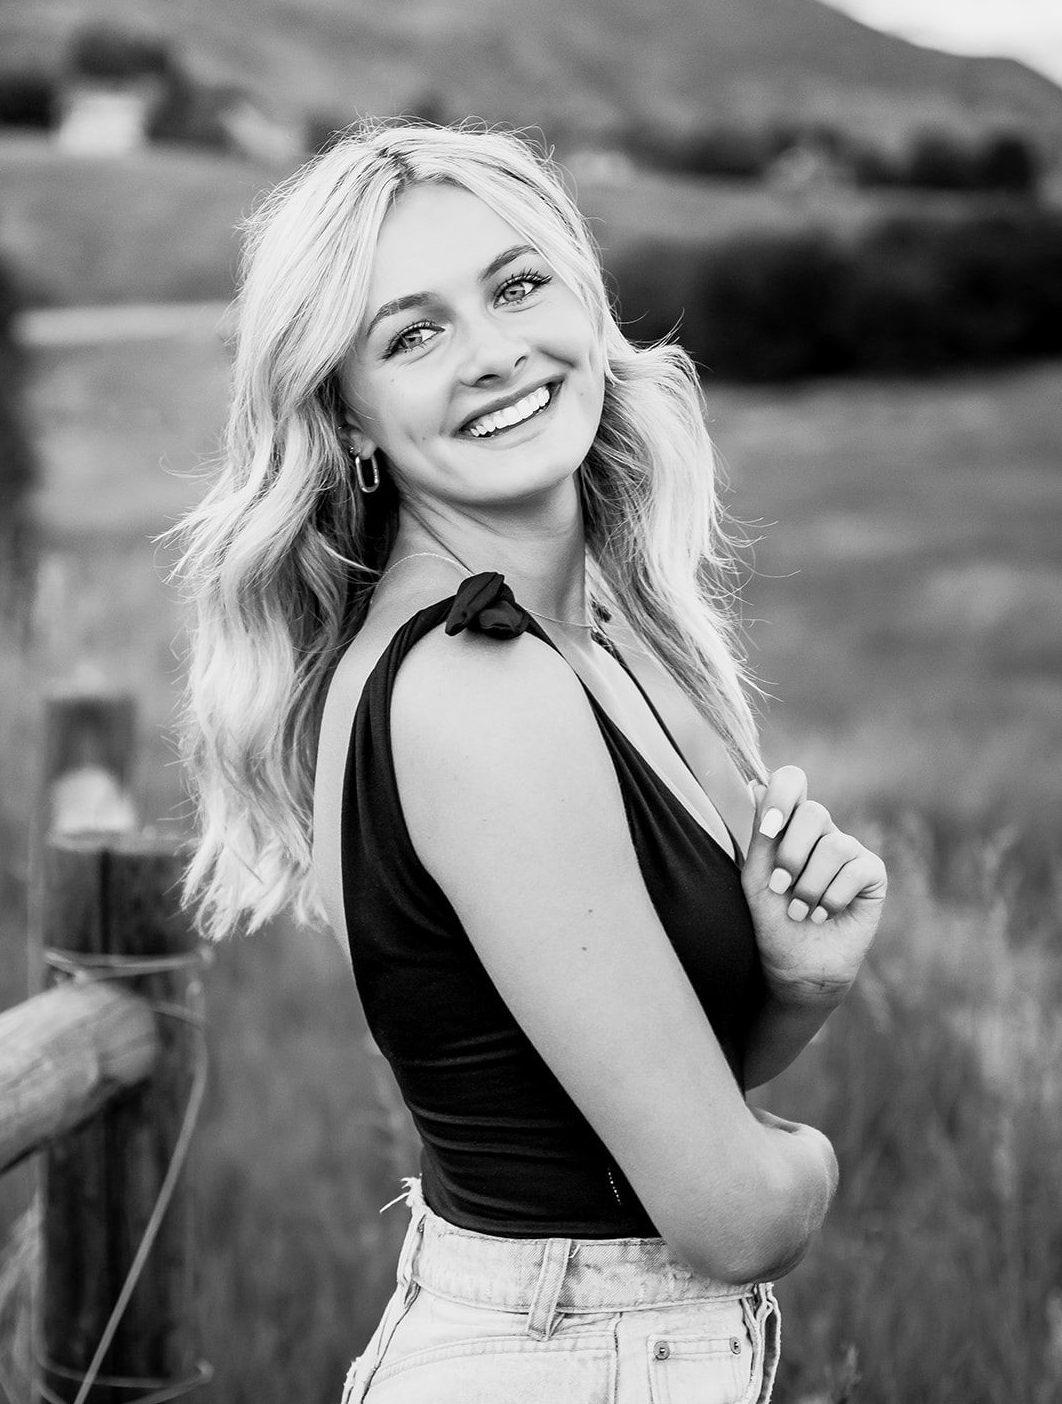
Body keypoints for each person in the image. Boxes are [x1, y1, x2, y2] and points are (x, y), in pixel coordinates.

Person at [171, 120, 887, 1403]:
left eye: (515, 286)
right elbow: (731, 1215)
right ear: (348, 418)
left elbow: (596, 1101)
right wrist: (813, 1160)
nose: (494, 352)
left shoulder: (594, 632)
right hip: (561, 1357)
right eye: (412, 334)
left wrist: (797, 985)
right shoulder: (477, 682)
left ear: (586, 303)